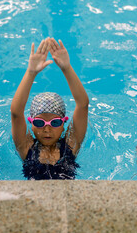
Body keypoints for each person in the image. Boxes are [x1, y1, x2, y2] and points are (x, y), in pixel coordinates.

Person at [11, 37, 89, 180]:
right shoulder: (26, 148)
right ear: (32, 123)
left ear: (63, 124)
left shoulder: (70, 146)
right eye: (40, 123)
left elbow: (83, 105)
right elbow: (16, 113)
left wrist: (67, 68)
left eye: (54, 123)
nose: (47, 129)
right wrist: (31, 73)